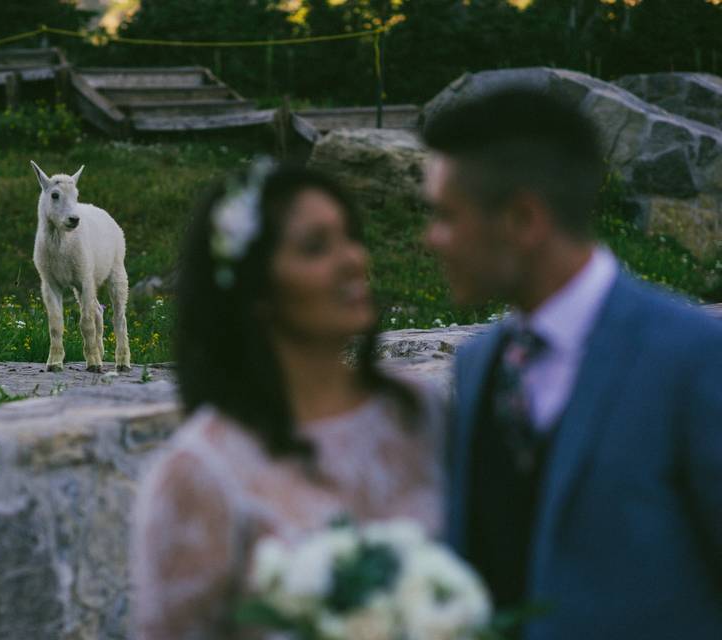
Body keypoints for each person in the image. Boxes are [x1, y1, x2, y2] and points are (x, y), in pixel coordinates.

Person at [421, 87, 722, 640]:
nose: (430, 239)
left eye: (446, 215)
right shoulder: (477, 364)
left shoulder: (694, 358)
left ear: (524, 219)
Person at [130, 162, 445, 639]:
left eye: (350, 236)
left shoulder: (416, 412)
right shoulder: (202, 473)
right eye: (316, 247)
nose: (353, 259)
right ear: (257, 292)